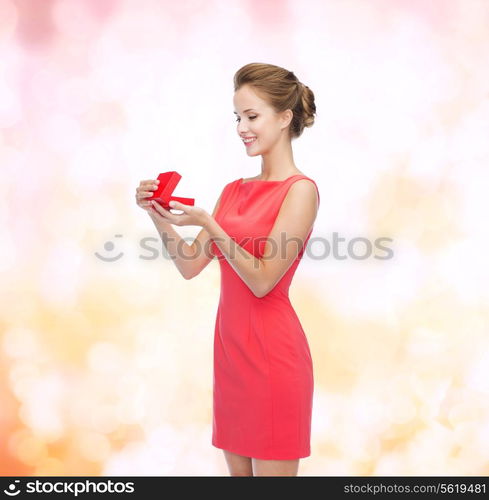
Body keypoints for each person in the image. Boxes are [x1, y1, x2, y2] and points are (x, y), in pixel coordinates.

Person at [135, 62, 320, 476]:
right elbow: (188, 265)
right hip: (231, 356)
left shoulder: (300, 191)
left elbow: (261, 280)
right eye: (238, 117)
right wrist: (157, 215)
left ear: (285, 117)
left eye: (252, 116)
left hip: (274, 358)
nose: (241, 127)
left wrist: (209, 224)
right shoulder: (232, 191)